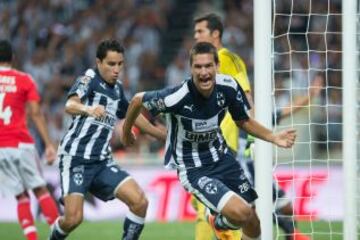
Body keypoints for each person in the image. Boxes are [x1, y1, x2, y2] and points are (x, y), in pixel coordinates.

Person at [122, 42, 297, 240]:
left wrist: (273, 137)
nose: (204, 72)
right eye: (198, 66)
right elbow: (136, 100)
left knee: (253, 222)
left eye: (208, 66)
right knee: (241, 213)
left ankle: (219, 221)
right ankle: (217, 220)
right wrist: (129, 132)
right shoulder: (176, 97)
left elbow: (243, 121)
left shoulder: (228, 87)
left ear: (217, 67)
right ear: (191, 69)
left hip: (223, 159)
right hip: (194, 169)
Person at [48, 39, 166, 240]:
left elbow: (132, 115)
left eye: (120, 64)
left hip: (102, 161)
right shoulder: (90, 77)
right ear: (99, 62)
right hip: (76, 158)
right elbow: (70, 104)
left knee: (140, 202)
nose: (116, 69)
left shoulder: (118, 89)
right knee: (73, 219)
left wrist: (160, 134)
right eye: (111, 64)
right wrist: (88, 109)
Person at [192, 12, 254, 240]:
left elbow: (247, 97)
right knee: (210, 208)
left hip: (222, 146)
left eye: (200, 31)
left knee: (211, 211)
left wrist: (252, 136)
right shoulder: (201, 64)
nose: (195, 36)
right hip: (201, 144)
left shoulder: (226, 58)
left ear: (215, 34)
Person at [240, 75, 323, 240]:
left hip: (260, 172)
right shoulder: (232, 119)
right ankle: (293, 234)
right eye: (246, 95)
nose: (250, 99)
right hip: (240, 173)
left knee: (287, 209)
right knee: (251, 216)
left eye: (251, 96)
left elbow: (288, 108)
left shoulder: (262, 118)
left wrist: (310, 95)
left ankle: (291, 235)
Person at [0, 39, 59, 240]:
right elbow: (35, 113)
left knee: (21, 196)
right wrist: (49, 144)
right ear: (13, 58)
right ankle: (56, 234)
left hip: (0, 147)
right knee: (40, 190)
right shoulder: (24, 79)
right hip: (20, 142)